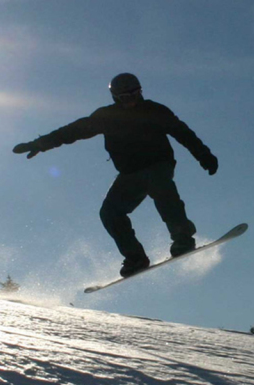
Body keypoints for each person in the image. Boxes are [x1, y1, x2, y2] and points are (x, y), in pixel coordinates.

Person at [13, 73, 219, 277]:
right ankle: (135, 257)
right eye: (125, 98)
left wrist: (204, 155)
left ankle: (182, 236)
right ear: (115, 97)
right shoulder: (107, 117)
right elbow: (72, 131)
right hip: (130, 174)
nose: (131, 101)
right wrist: (38, 144)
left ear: (140, 92)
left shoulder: (155, 111)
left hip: (158, 165)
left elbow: (183, 133)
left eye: (135, 95)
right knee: (110, 213)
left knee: (160, 187)